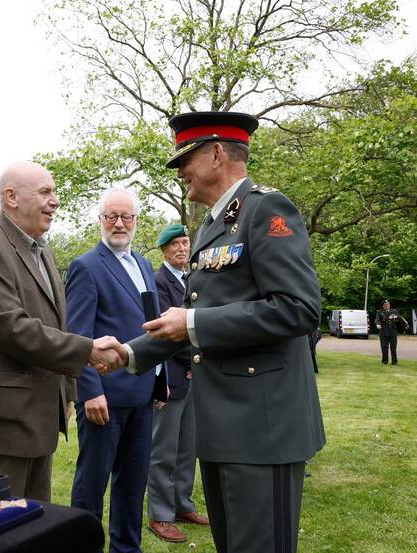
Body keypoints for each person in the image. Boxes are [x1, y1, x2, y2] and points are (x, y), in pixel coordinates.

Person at [107, 111, 325, 553]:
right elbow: (196, 316)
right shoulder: (213, 225)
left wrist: (192, 323)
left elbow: (298, 309)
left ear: (218, 153)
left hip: (265, 428)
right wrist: (127, 354)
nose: (181, 170)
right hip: (225, 425)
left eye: (186, 157)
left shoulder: (267, 210)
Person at [0, 161, 124, 501]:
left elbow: (55, 323)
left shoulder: (42, 248)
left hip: (41, 416)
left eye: (55, 192)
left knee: (33, 524)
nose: (56, 201)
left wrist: (65, 391)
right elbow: (13, 328)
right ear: (11, 197)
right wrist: (87, 351)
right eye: (46, 192)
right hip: (6, 421)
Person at [65, 187, 161, 553]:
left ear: (136, 221)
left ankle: (126, 549)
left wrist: (160, 382)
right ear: (100, 220)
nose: (119, 223)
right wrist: (90, 391)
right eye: (111, 216)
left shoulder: (144, 265)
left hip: (141, 396)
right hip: (103, 399)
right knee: (92, 484)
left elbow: (152, 329)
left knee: (133, 486)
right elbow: (78, 335)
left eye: (126, 217)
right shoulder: (86, 267)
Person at [146, 223, 209, 543]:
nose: (182, 249)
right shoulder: (158, 283)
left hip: (194, 376)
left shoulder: (193, 280)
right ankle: (160, 514)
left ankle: (182, 504)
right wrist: (200, 353)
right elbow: (163, 333)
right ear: (164, 250)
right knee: (163, 450)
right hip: (170, 376)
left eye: (186, 243)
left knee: (188, 448)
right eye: (176, 245)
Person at [375, 300, 406, 365]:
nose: (387, 306)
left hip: (393, 332)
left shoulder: (394, 311)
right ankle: (385, 361)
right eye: (385, 305)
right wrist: (377, 324)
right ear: (383, 306)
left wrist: (396, 317)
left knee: (393, 347)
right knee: (384, 347)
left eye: (388, 304)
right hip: (383, 332)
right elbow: (377, 319)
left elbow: (400, 318)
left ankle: (394, 362)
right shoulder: (379, 312)